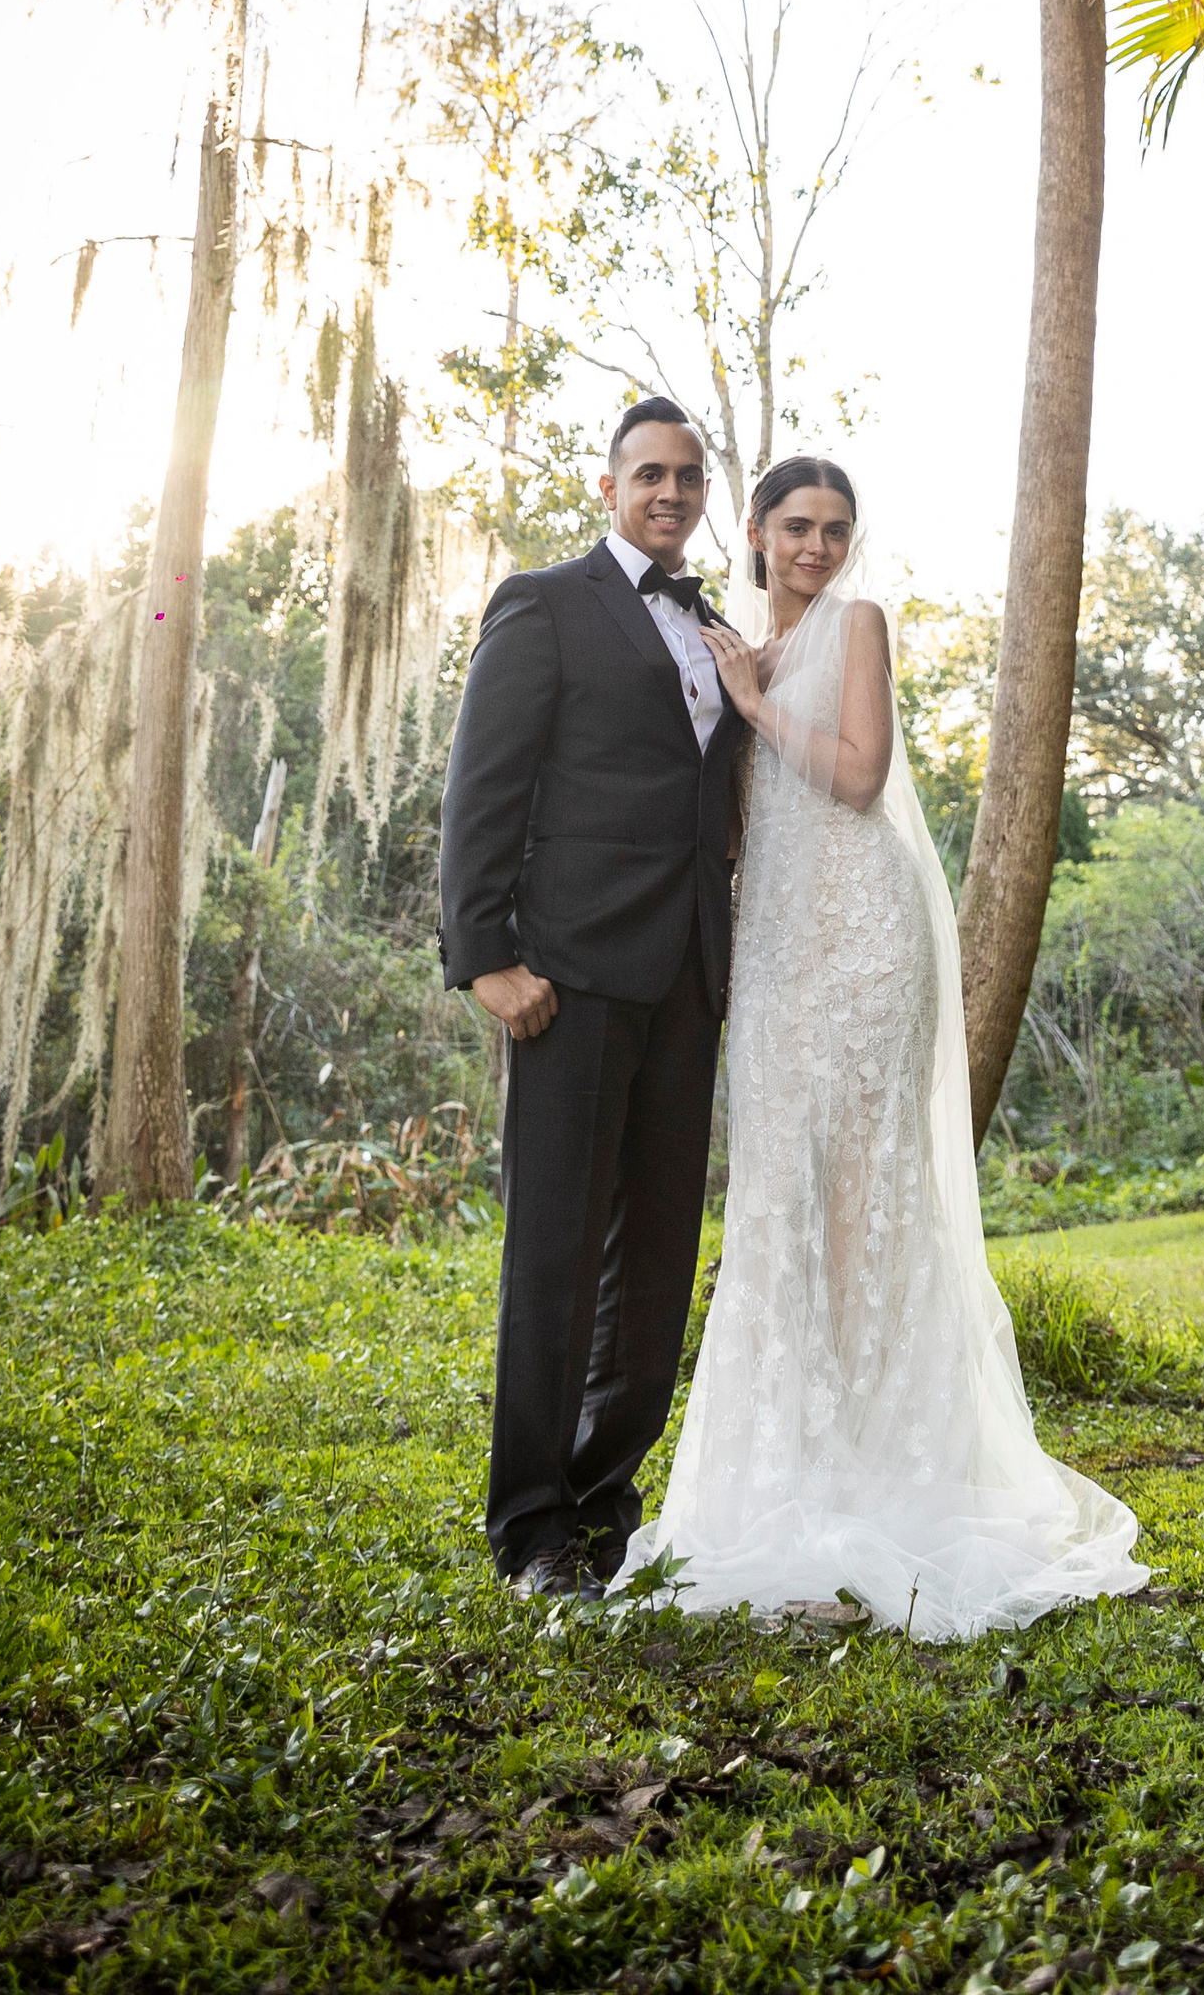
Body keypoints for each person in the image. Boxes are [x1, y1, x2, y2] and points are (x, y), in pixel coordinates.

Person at [616, 456, 1147, 1637]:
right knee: (778, 1194)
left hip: (865, 936)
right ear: (752, 530)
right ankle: (789, 1460)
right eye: (796, 526)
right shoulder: (730, 641)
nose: (815, 547)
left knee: (863, 1198)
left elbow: (855, 780)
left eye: (834, 529)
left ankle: (875, 1458)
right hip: (774, 952)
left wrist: (755, 704)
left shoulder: (856, 624)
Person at [437, 397, 751, 1597]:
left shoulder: (714, 625)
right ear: (612, 484)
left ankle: (604, 1503)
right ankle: (529, 1528)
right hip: (564, 975)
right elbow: (484, 787)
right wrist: (484, 958)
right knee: (556, 1253)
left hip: (687, 974)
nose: (670, 492)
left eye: (688, 477)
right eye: (650, 474)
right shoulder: (542, 602)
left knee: (660, 1254)